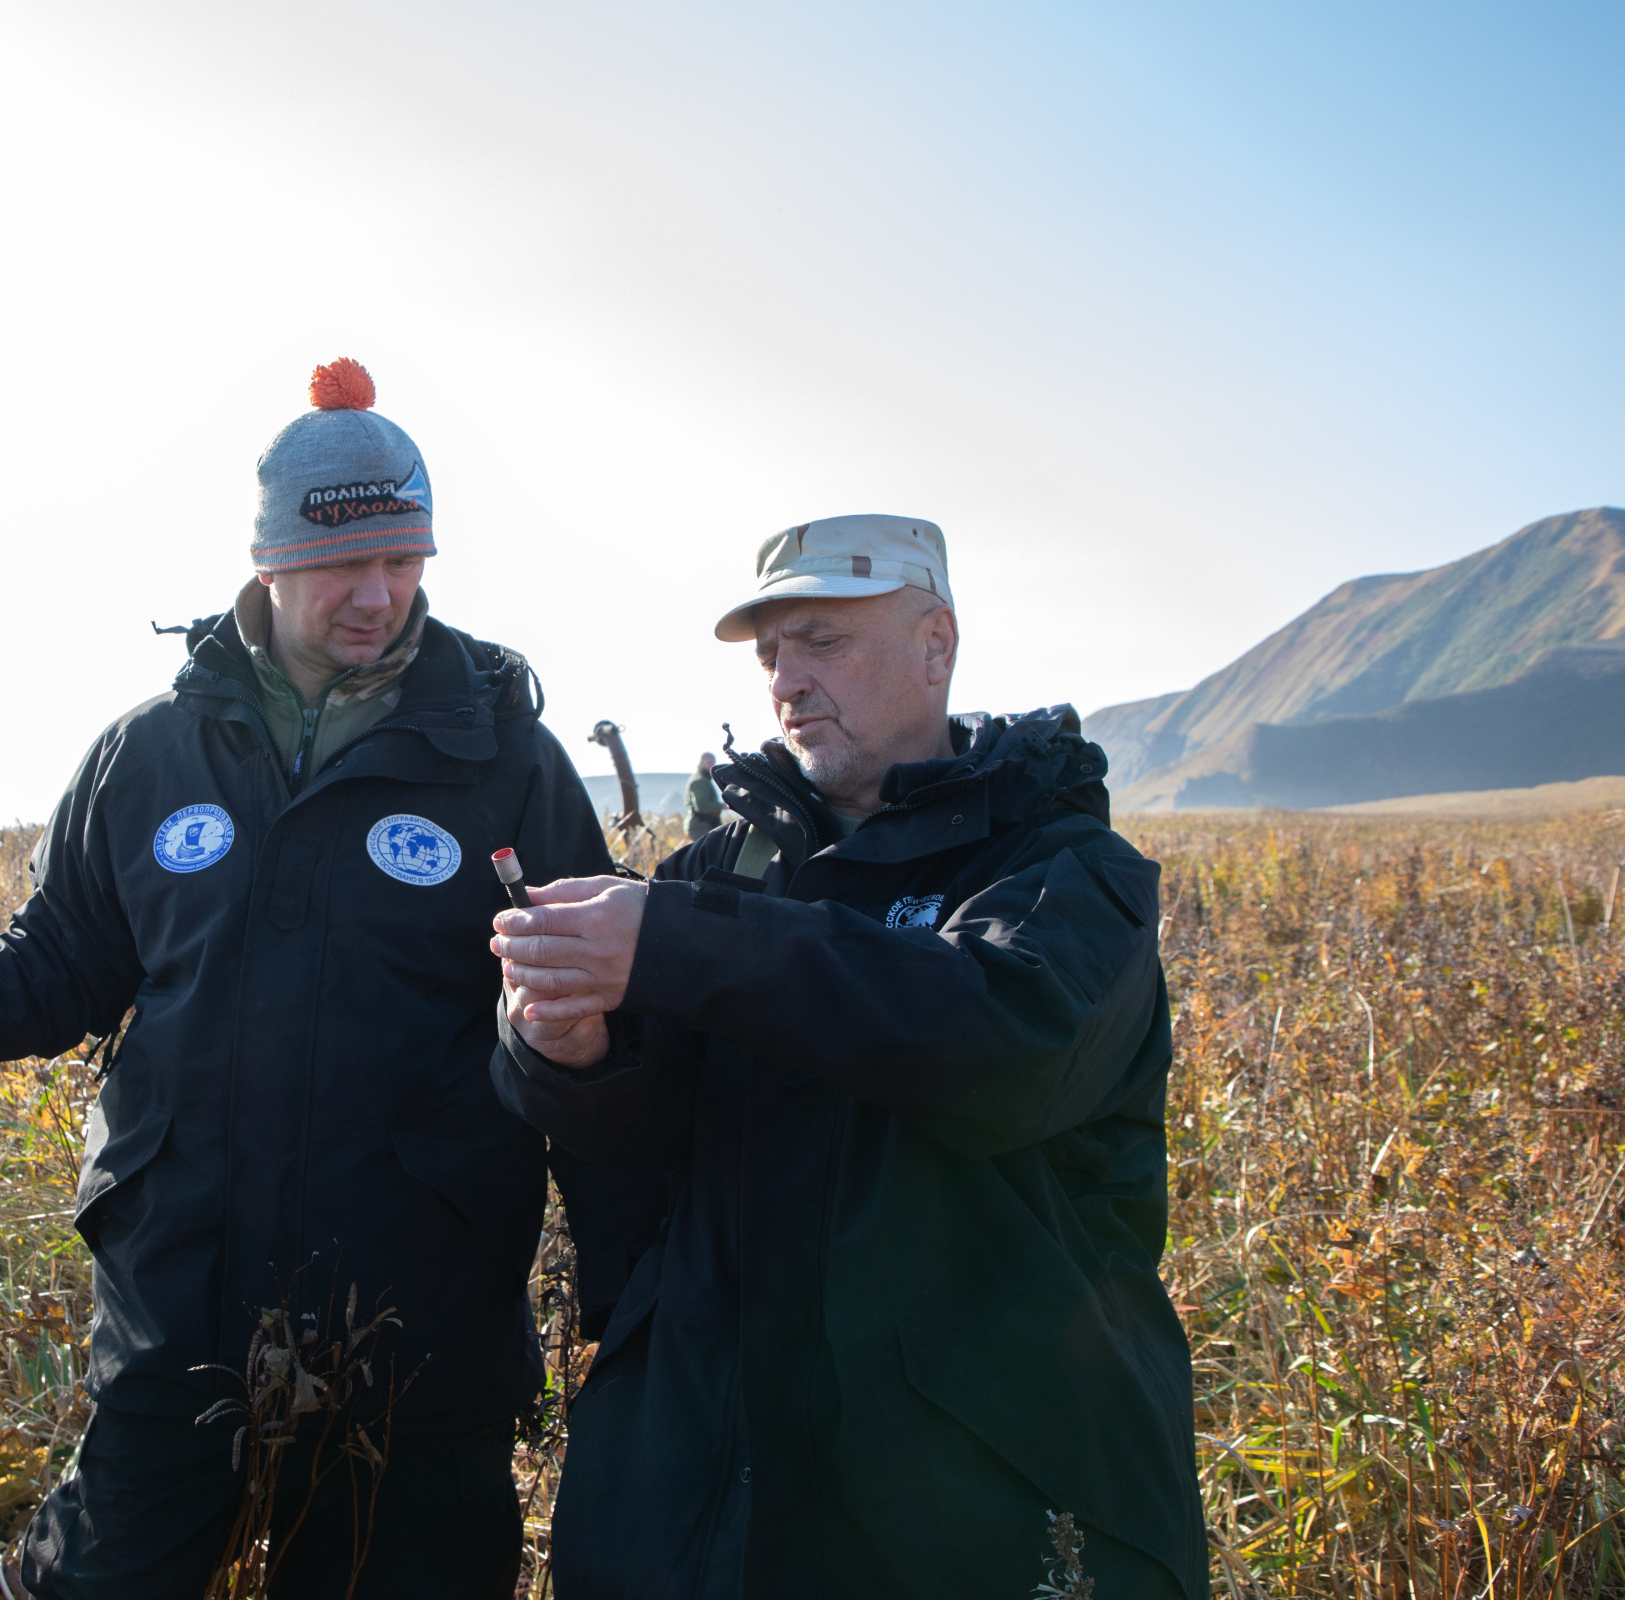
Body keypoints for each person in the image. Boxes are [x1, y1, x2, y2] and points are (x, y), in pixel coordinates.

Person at [0, 360, 653, 1598]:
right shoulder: (150, 754)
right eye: (344, 565)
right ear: (269, 562)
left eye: (406, 563)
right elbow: (56, 967)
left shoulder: (503, 762)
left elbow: (586, 1028)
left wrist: (628, 1272)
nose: (379, 596)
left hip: (418, 1335)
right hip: (178, 1315)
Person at [487, 515, 1202, 1597]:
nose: (788, 679)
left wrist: (676, 943)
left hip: (977, 1510)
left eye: (823, 639)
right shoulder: (716, 874)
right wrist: (569, 1047)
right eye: (772, 653)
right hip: (705, 1502)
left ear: (936, 644)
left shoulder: (1064, 871)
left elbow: (998, 1044)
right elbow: (639, 1136)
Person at [682, 752, 722, 839]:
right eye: (709, 763)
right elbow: (701, 806)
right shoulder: (700, 781)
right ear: (701, 763)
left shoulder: (703, 779)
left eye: (713, 763)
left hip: (704, 825)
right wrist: (722, 806)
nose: (712, 766)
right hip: (701, 826)